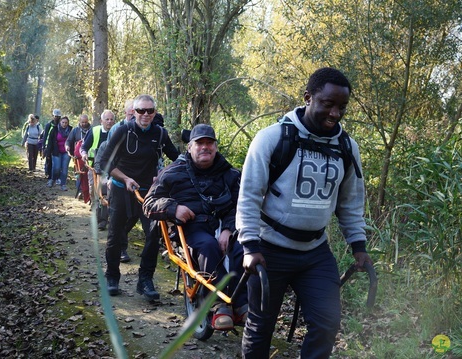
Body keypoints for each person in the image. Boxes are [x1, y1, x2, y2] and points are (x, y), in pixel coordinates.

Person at [236, 67, 373, 359]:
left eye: (342, 107)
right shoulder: (271, 138)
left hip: (315, 252)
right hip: (269, 250)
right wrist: (249, 245)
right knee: (261, 326)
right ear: (308, 97)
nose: (335, 113)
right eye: (328, 104)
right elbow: (248, 195)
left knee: (327, 322)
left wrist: (358, 245)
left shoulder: (347, 147)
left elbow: (350, 202)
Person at [143, 124, 247, 330]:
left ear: (216, 147)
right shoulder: (172, 172)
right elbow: (149, 203)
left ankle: (243, 303)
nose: (205, 147)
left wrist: (227, 228)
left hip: (224, 226)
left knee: (242, 249)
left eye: (209, 143)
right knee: (208, 246)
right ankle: (218, 305)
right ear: (190, 147)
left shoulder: (230, 174)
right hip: (191, 229)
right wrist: (173, 208)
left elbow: (240, 205)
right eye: (200, 143)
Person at [98, 94, 180, 300]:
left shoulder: (160, 134)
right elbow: (105, 162)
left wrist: (162, 175)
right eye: (141, 111)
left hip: (149, 193)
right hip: (120, 188)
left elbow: (178, 159)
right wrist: (125, 179)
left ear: (154, 113)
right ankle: (112, 277)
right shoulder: (122, 131)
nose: (145, 115)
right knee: (115, 235)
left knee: (153, 235)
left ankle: (145, 280)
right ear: (133, 112)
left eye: (149, 111)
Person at [80, 110, 115, 230]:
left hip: (112, 169)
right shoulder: (94, 131)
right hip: (95, 167)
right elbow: (84, 147)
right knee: (96, 192)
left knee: (108, 193)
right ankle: (99, 218)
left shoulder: (117, 132)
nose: (109, 122)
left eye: (111, 119)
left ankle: (104, 220)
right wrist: (84, 154)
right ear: (101, 121)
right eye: (107, 119)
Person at [66, 114, 92, 202]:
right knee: (80, 175)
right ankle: (81, 191)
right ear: (79, 122)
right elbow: (69, 140)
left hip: (89, 156)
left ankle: (89, 194)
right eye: (82, 122)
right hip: (78, 157)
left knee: (89, 176)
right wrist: (67, 146)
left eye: (86, 122)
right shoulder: (75, 130)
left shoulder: (92, 130)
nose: (84, 124)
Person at [46, 115, 73, 191]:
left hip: (66, 152)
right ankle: (53, 179)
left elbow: (73, 141)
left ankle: (63, 184)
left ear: (68, 123)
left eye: (66, 123)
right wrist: (48, 153)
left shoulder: (71, 130)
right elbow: (50, 142)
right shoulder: (55, 129)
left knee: (64, 169)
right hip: (56, 152)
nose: (64, 124)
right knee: (56, 168)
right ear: (60, 122)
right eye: (63, 122)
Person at [43, 109, 62, 180]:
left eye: (58, 116)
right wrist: (44, 147)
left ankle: (56, 176)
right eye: (55, 116)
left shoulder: (61, 125)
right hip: (49, 145)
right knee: (49, 160)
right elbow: (45, 136)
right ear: (53, 116)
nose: (56, 118)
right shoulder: (49, 125)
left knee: (57, 162)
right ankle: (49, 174)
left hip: (58, 146)